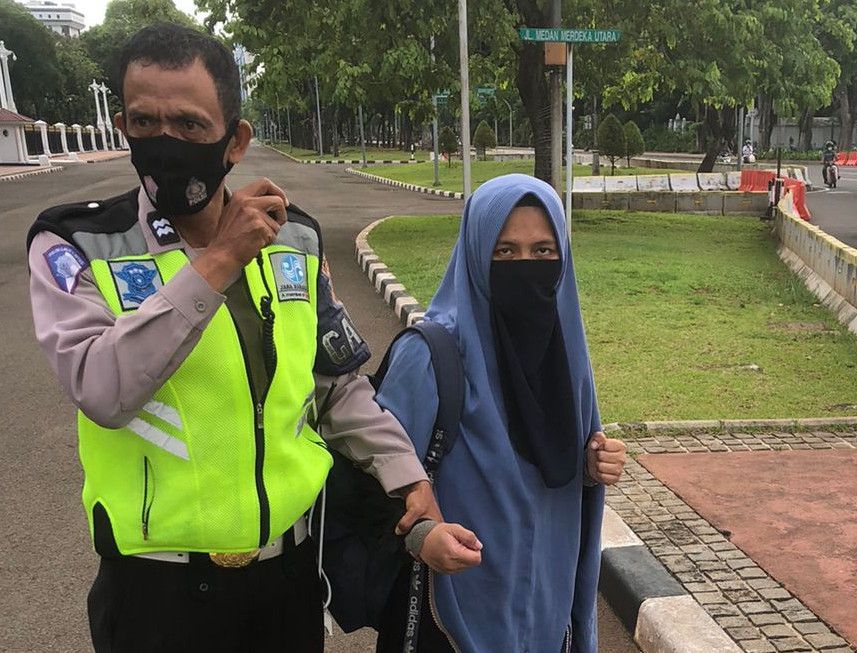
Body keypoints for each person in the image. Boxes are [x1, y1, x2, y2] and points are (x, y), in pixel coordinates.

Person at [26, 24, 478, 652]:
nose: (166, 141)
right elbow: (103, 390)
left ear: (234, 141)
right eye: (144, 121)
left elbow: (334, 385)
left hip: (286, 581)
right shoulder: (78, 244)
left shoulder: (294, 241)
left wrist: (404, 473)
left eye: (188, 124)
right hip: (155, 595)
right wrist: (218, 260)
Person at [374, 174, 628, 653]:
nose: (525, 266)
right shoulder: (430, 355)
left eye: (543, 252)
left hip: (547, 618)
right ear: (475, 255)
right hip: (450, 618)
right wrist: (422, 537)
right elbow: (371, 474)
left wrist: (591, 467)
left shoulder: (567, 357)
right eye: (505, 252)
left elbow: (553, 462)